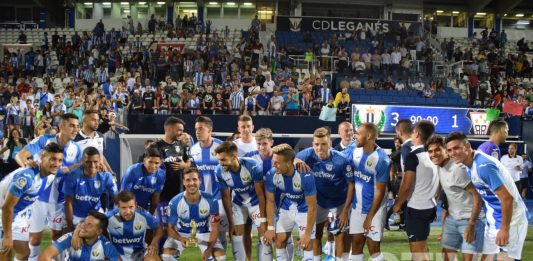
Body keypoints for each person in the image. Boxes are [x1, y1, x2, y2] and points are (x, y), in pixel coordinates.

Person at [445, 132, 528, 260]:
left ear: (467, 147)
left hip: (511, 220)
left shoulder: (483, 166)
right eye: (449, 150)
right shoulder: (469, 165)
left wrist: (504, 229)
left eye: (456, 148)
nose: (452, 153)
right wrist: (471, 225)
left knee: (505, 258)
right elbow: (480, 199)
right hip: (493, 219)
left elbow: (507, 198)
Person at [14, 113, 83, 260]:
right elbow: (20, 156)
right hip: (38, 198)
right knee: (34, 239)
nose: (76, 129)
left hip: (60, 200)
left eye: (77, 126)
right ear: (61, 126)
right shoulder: (44, 140)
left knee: (58, 235)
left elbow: (78, 169)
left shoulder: (76, 148)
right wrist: (27, 164)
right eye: (71, 125)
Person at [295, 127, 353, 261]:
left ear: (330, 143)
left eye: (323, 144)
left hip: (340, 201)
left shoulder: (342, 160)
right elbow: (292, 158)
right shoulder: (308, 154)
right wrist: (297, 161)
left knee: (340, 234)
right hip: (319, 201)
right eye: (316, 144)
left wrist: (345, 211)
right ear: (312, 144)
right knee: (316, 234)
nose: (319, 148)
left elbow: (351, 184)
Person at [0, 143, 63, 261]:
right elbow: (6, 207)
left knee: (24, 253)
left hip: (19, 214)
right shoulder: (27, 177)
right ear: (42, 156)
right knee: (6, 251)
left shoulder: (50, 175)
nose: (57, 164)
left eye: (60, 160)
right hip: (3, 212)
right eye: (53, 159)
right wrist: (8, 236)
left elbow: (65, 170)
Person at [426, 135, 484, 261]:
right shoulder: (439, 166)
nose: (433, 154)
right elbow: (440, 187)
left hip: (470, 219)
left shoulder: (458, 170)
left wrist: (472, 224)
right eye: (430, 151)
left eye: (437, 150)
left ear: (445, 151)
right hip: (453, 218)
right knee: (447, 255)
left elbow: (478, 197)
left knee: (469, 259)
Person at [341, 123, 389, 261]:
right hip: (357, 208)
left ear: (368, 136)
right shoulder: (355, 151)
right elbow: (338, 158)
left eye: (358, 133)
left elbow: (380, 192)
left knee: (373, 249)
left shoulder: (381, 160)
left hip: (375, 210)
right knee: (355, 244)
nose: (355, 136)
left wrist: (369, 217)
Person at [215, 141, 269, 261]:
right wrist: (231, 222)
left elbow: (261, 195)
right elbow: (225, 197)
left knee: (264, 234)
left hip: (255, 203)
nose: (220, 163)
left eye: (223, 160)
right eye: (219, 160)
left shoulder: (252, 166)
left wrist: (264, 220)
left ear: (234, 156)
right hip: (238, 203)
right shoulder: (219, 171)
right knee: (237, 234)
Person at [392, 120, 438, 261]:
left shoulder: (413, 156)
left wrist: (397, 204)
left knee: (417, 252)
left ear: (416, 134)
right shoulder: (432, 156)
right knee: (422, 248)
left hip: (417, 208)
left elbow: (406, 186)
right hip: (429, 206)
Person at [264, 143, 317, 261]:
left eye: (277, 162)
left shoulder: (305, 175)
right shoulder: (272, 174)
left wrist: (307, 234)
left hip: (305, 210)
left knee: (307, 245)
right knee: (279, 241)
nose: (273, 165)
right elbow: (270, 201)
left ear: (288, 163)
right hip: (286, 208)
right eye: (273, 161)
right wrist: (270, 227)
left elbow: (312, 207)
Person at [161, 168, 226, 261]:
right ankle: (177, 254)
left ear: (200, 181)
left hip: (204, 233)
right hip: (182, 233)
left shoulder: (211, 200)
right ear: (183, 182)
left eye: (194, 179)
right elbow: (170, 228)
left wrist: (209, 249)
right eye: (187, 180)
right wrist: (180, 238)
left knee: (220, 257)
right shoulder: (175, 202)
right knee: (166, 256)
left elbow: (215, 228)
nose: (191, 183)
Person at [189, 116, 227, 248]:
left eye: (201, 128)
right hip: (202, 199)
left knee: (220, 234)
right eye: (196, 129)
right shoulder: (193, 150)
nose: (197, 132)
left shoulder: (220, 146)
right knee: (204, 234)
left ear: (210, 129)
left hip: (220, 198)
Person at [63, 147, 119, 231]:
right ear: (82, 161)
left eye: (95, 162)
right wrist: (70, 226)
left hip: (96, 213)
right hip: (77, 216)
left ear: (100, 162)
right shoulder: (72, 176)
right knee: (72, 240)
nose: (92, 165)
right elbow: (68, 203)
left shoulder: (106, 176)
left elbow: (117, 198)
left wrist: (116, 215)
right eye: (88, 162)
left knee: (107, 235)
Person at [149, 117, 191, 226]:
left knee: (178, 226)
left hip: (180, 193)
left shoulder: (181, 145)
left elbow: (190, 162)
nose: (181, 133)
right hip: (161, 195)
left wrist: (184, 165)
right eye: (179, 130)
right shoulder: (155, 146)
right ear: (168, 129)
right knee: (161, 227)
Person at [38, 211, 120, 261]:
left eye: (89, 225)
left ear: (98, 231)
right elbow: (44, 257)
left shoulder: (105, 244)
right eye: (84, 222)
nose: (83, 226)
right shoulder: (70, 237)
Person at [106, 191, 163, 260]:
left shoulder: (144, 215)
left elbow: (159, 228)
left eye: (131, 207)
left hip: (139, 253)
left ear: (135, 205)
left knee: (153, 258)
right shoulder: (108, 217)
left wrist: (154, 243)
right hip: (117, 255)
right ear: (118, 206)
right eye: (124, 207)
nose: (128, 211)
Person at [120, 147, 165, 214]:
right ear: (144, 161)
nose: (153, 166)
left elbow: (155, 199)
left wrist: (152, 217)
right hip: (126, 207)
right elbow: (123, 195)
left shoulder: (161, 175)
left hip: (143, 210)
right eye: (150, 162)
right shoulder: (133, 171)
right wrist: (135, 208)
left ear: (160, 163)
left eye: (156, 163)